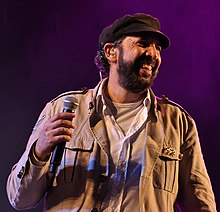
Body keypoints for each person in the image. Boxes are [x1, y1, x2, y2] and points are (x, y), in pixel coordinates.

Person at [7, 13, 216, 212]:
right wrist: (39, 151)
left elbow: (200, 203)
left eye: (158, 48)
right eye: (142, 43)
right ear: (111, 52)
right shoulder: (62, 108)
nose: (153, 54)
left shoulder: (177, 123)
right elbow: (20, 198)